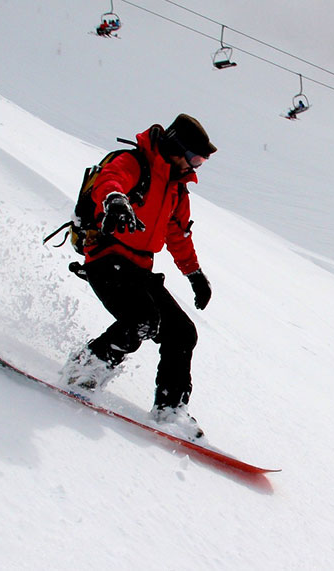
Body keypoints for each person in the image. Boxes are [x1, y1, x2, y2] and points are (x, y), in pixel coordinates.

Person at [61, 114, 217, 438]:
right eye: (194, 158)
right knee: (141, 320)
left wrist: (195, 274)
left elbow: (177, 235)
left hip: (140, 268)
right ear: (175, 147)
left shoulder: (177, 189)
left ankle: (170, 409)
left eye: (201, 161)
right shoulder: (135, 163)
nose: (196, 167)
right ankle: (83, 372)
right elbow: (110, 180)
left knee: (182, 333)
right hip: (106, 258)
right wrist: (115, 200)